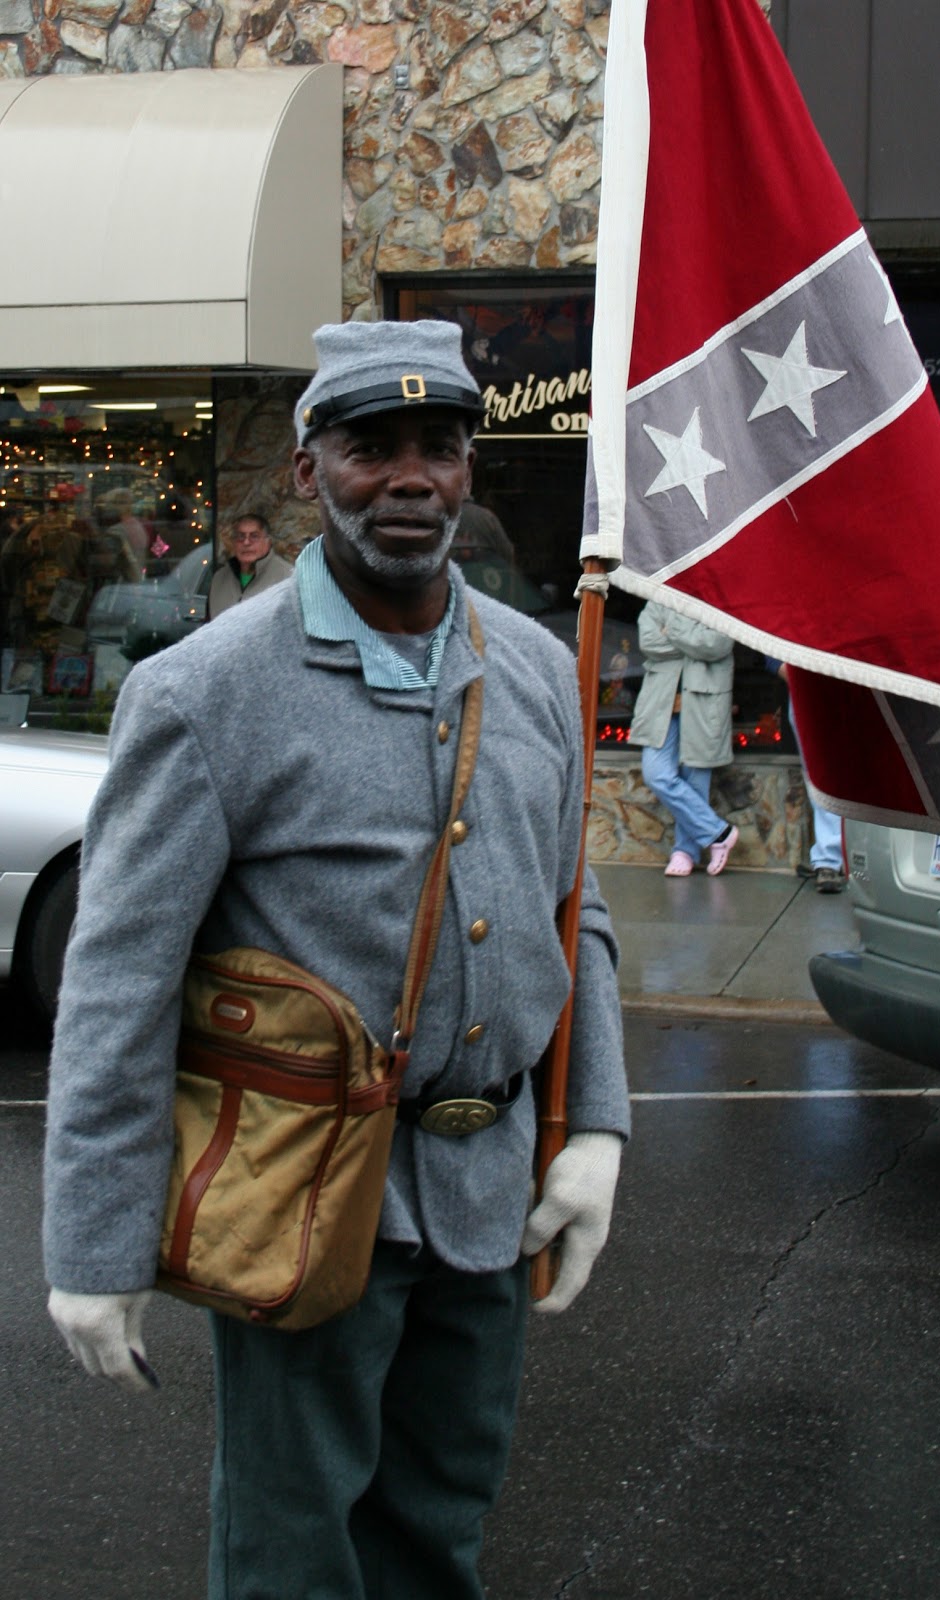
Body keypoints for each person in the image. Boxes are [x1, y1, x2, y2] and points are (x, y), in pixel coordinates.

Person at [43, 318, 629, 1600]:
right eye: (371, 448)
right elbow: (120, 979)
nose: (409, 477)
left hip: (487, 1197)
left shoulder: (531, 668)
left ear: (470, 468)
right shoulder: (207, 691)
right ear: (308, 470)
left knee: (437, 1534)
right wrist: (93, 1243)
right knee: (291, 1556)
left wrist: (594, 1128)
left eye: (439, 446)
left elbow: (568, 910)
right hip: (303, 1194)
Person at [628, 599, 737, 876]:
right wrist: (692, 640)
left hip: (702, 701)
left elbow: (717, 643)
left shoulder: (719, 599)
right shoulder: (662, 594)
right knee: (656, 773)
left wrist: (672, 629)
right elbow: (648, 640)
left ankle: (684, 852)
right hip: (662, 702)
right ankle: (718, 833)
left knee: (695, 778)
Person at [767, 657, 845, 892]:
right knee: (819, 773)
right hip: (806, 682)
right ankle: (829, 858)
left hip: (849, 680)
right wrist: (780, 665)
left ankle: (835, 857)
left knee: (843, 770)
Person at [207, 511, 293, 617]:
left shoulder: (287, 578)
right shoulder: (219, 579)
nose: (246, 542)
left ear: (268, 542)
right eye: (241, 536)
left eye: (254, 536)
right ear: (233, 543)